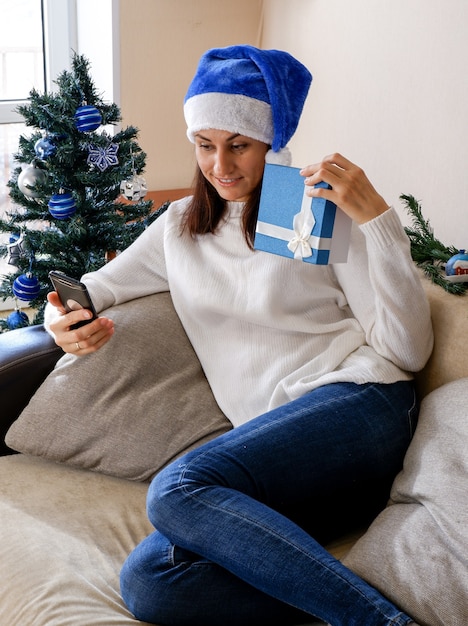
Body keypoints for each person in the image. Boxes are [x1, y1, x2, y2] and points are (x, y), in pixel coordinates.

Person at [45, 45, 431, 626]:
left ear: (270, 142)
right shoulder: (179, 227)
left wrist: (378, 220)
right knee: (152, 584)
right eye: (205, 145)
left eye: (239, 145)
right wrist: (61, 323)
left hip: (361, 406)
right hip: (278, 453)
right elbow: (93, 289)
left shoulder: (312, 207)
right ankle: (348, 594)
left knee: (177, 488)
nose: (221, 165)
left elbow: (407, 351)